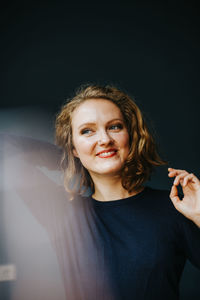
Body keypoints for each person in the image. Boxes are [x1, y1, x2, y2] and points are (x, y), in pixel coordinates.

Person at [2, 84, 200, 300]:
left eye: (114, 127)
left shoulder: (174, 208)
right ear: (74, 147)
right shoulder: (63, 213)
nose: (104, 139)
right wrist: (68, 157)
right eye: (87, 131)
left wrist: (199, 215)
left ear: (131, 136)